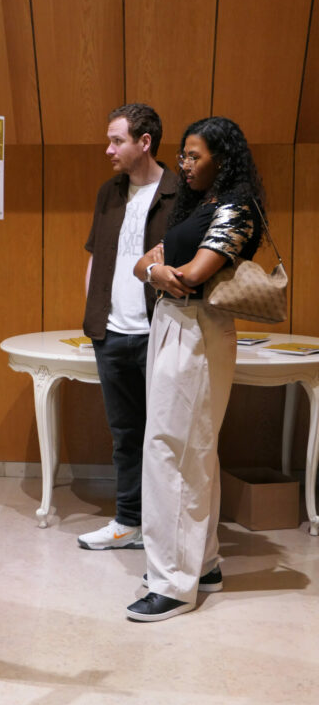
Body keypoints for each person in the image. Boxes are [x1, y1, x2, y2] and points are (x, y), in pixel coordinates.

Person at [127, 116, 265, 622]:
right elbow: (143, 264)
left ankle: (173, 584)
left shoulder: (237, 207)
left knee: (174, 453)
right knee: (190, 450)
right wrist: (155, 270)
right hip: (175, 322)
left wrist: (158, 270)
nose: (183, 164)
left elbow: (192, 274)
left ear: (221, 159)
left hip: (197, 327)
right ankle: (202, 565)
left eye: (194, 156)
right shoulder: (203, 205)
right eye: (183, 155)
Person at [79, 104, 178, 550]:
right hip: (112, 333)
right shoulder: (109, 192)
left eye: (117, 140)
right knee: (125, 436)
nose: (108, 149)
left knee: (167, 437)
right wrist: (94, 316)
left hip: (161, 333)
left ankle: (166, 530)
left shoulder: (178, 193)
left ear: (145, 142)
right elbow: (97, 257)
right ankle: (128, 522)